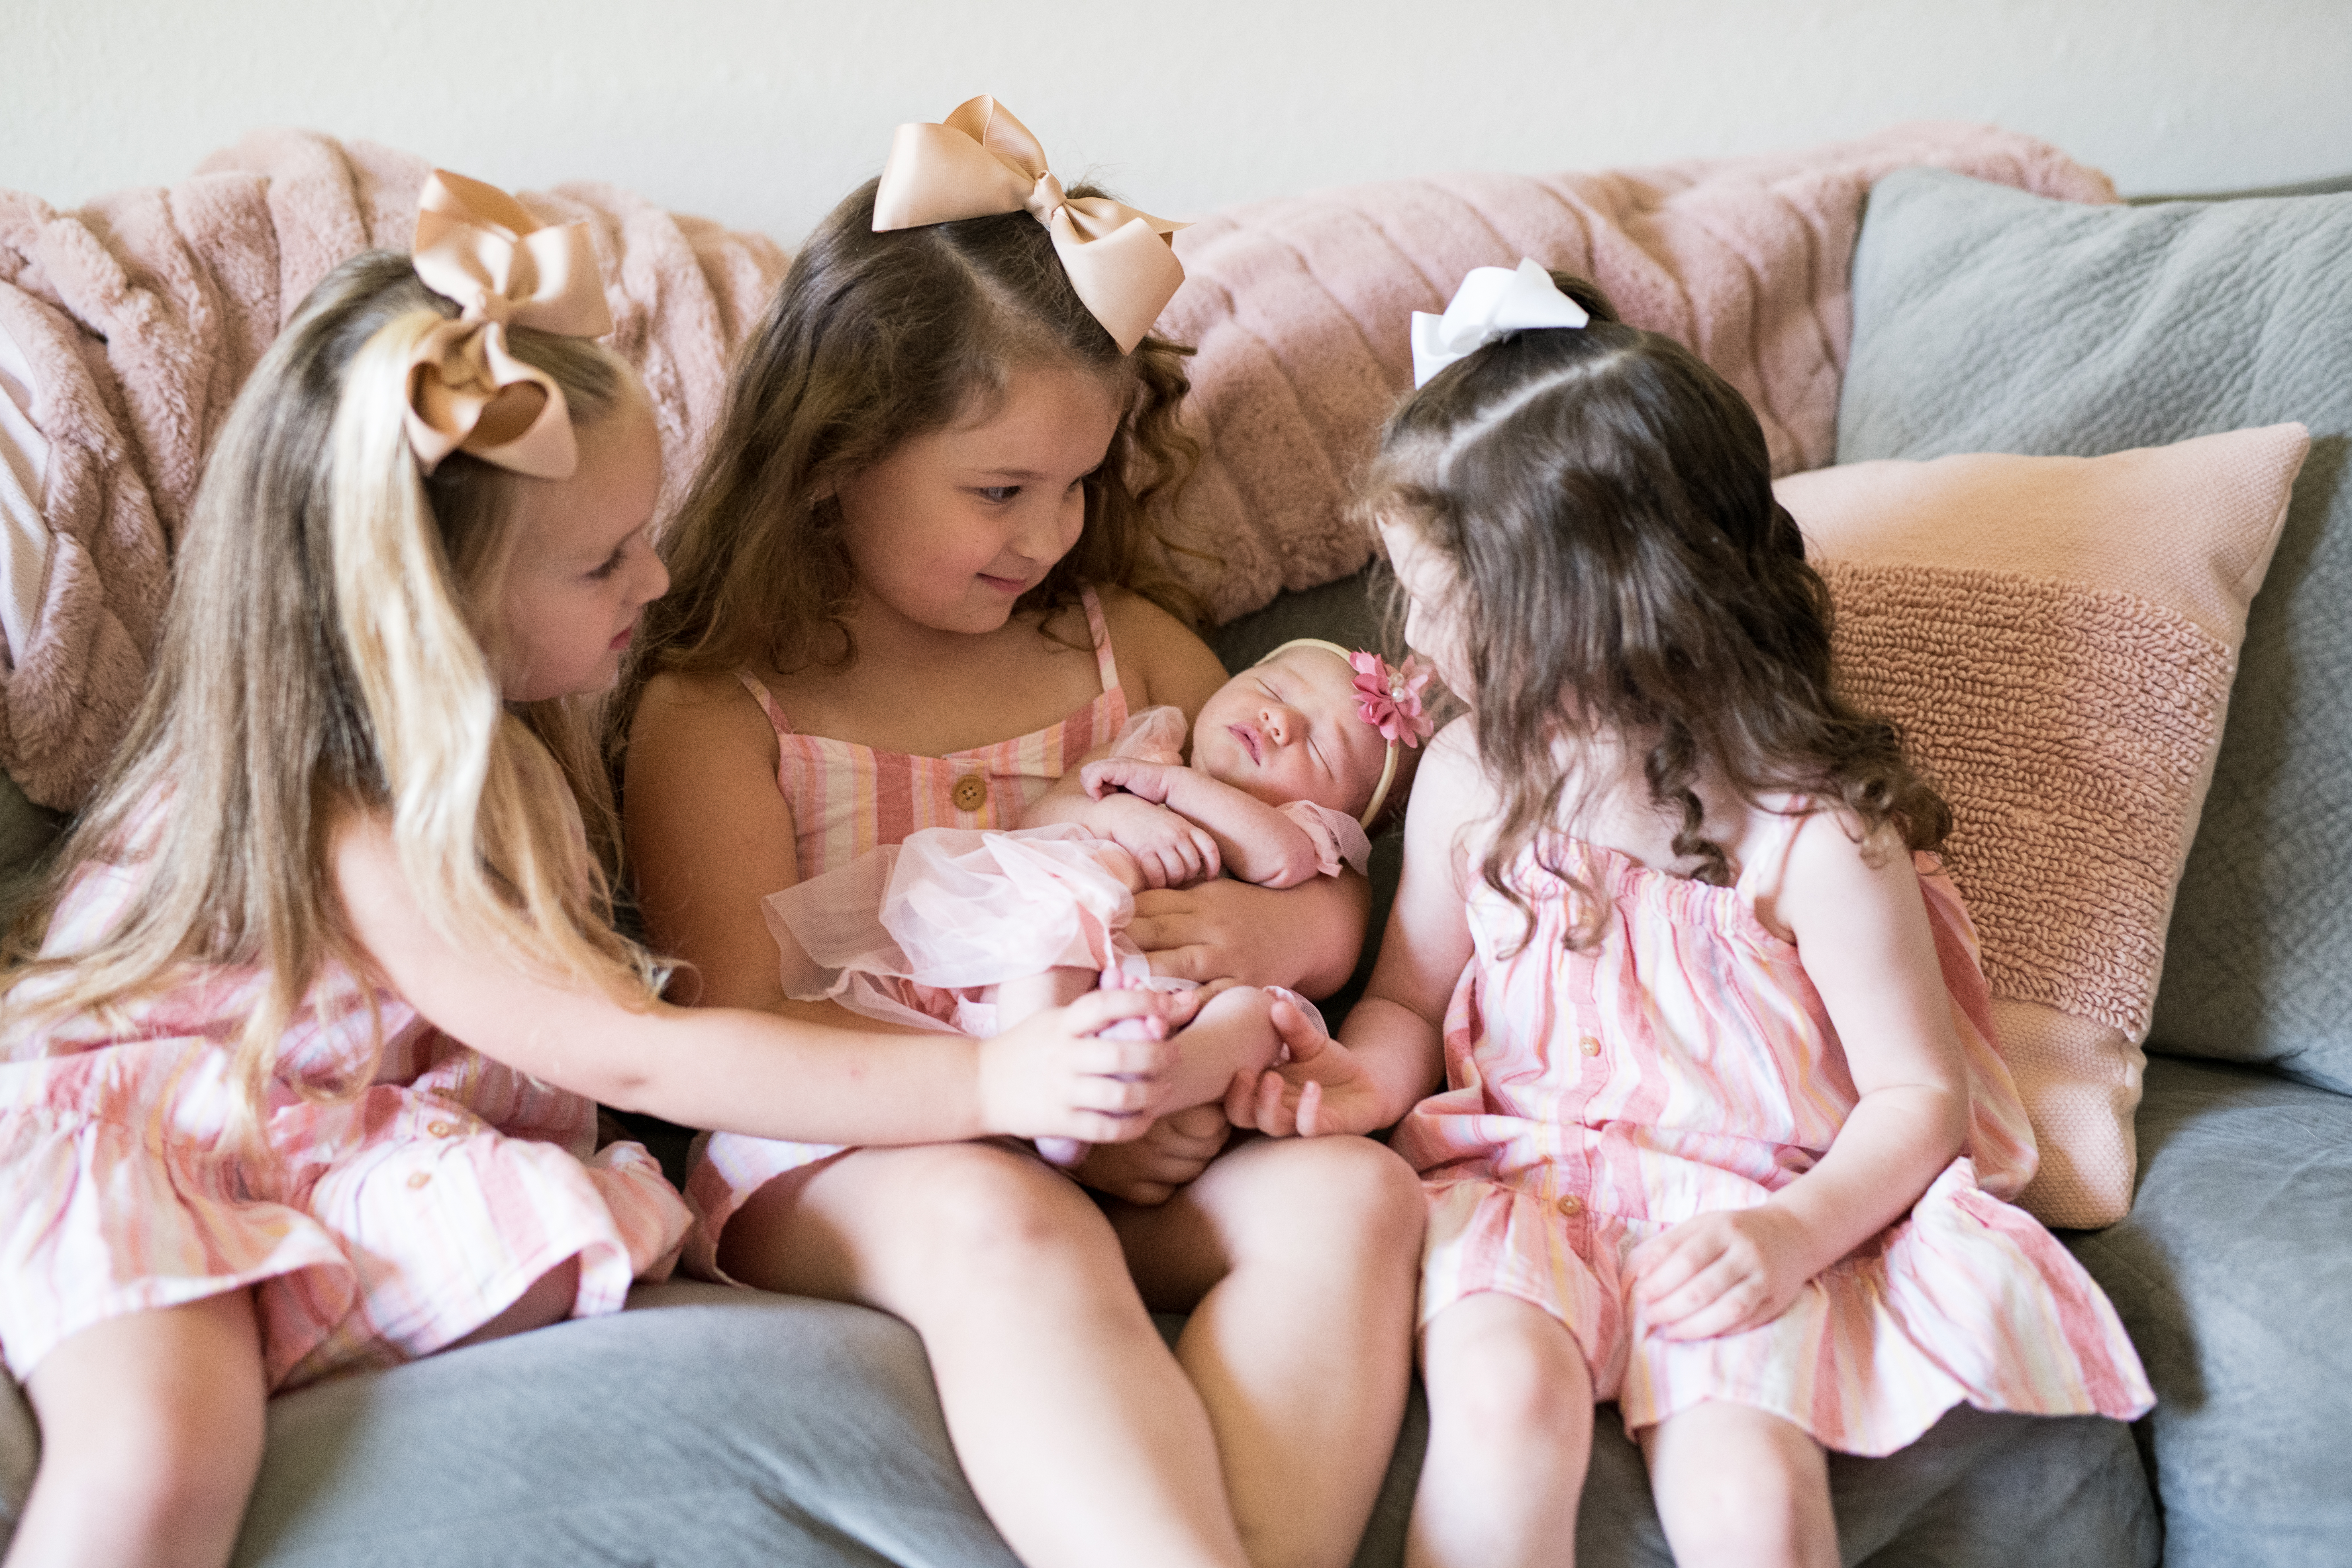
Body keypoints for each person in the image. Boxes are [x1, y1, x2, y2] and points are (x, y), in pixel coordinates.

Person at [0, 172, 1173, 1568]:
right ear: (437, 600)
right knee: (159, 1455)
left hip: (327, 1147)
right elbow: (642, 1055)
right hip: (154, 1147)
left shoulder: (503, 756)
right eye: (605, 559)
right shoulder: (358, 809)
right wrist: (988, 1084)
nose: (656, 582)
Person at [1234, 260, 2156, 1568]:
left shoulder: (1815, 834)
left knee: (1749, 1489)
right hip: (1520, 1184)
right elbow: (1403, 999)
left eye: (1444, 605)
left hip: (1746, 1205)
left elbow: (1918, 1096)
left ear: (1602, 611)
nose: (1419, 647)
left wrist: (1788, 1235)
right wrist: (1355, 1079)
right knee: (1504, 1401)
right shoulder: (1467, 779)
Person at [623, 97, 1424, 1568]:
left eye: (1079, 485)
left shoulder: (1131, 654)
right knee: (1007, 1214)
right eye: (999, 490)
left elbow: (1327, 884)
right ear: (837, 454)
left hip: (1117, 1118)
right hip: (854, 1154)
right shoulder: (722, 708)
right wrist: (1021, 1091)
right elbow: (739, 1029)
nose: (1049, 535)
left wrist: (1259, 948)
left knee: (1355, 1195)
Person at [765, 640, 1433, 1165]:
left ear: (1337, 816)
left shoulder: (1303, 839)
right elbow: (1039, 821)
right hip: (1031, 975)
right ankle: (1046, 1075)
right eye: (1272, 689)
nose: (1278, 720)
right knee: (1081, 885)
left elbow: (1277, 856)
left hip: (1163, 1011)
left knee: (1262, 1019)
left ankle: (1148, 1086)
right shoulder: (1151, 742)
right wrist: (1113, 817)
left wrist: (1170, 790)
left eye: (1318, 745)